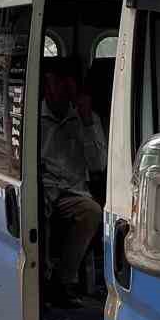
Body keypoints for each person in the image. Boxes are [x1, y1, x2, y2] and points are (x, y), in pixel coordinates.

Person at [41, 62, 106, 302]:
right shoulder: (36, 117)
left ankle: (64, 281)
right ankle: (43, 276)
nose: (57, 93)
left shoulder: (86, 119)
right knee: (38, 206)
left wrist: (86, 121)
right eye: (53, 86)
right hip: (44, 185)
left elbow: (99, 164)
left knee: (91, 212)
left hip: (73, 189)